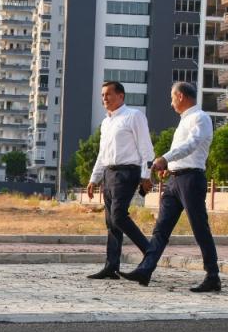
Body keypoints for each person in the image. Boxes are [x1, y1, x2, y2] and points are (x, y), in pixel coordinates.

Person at [121, 82, 220, 292]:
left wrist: (165, 158)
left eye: (172, 97)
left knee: (199, 228)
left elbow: (191, 144)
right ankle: (146, 269)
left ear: (181, 96)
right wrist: (169, 166)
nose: (171, 102)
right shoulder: (184, 121)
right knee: (161, 229)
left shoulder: (200, 118)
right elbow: (183, 151)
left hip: (191, 180)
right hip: (174, 180)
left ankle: (213, 276)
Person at [85, 81, 154, 280]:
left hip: (127, 172)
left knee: (118, 216)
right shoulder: (106, 122)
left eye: (108, 94)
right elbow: (102, 154)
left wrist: (146, 175)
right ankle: (111, 266)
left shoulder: (134, 116)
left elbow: (146, 148)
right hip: (108, 173)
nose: (104, 98)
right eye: (102, 95)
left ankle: (150, 252)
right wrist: (94, 178)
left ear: (121, 96)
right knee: (111, 222)